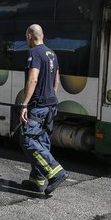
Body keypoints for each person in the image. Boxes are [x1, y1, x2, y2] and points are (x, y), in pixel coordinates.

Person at [19, 24, 68, 196]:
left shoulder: (34, 53)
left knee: (27, 139)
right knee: (42, 141)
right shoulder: (51, 53)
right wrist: (51, 97)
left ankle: (55, 172)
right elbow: (57, 79)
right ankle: (37, 181)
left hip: (38, 105)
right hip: (51, 105)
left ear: (30, 36)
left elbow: (33, 79)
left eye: (27, 37)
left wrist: (24, 104)